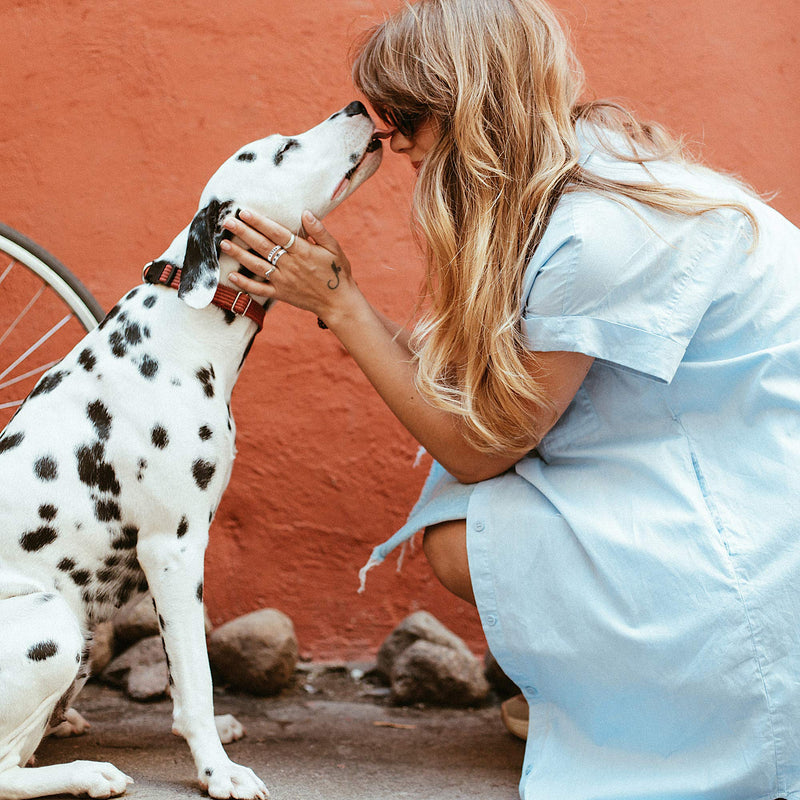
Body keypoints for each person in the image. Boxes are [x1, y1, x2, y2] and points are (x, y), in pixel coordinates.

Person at [220, 0, 800, 797]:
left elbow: (481, 443)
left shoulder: (595, 233)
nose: (390, 141)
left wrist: (342, 308)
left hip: (756, 517)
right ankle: (590, 684)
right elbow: (463, 379)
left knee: (464, 524)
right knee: (463, 495)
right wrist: (336, 296)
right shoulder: (578, 165)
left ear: (466, 111)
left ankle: (654, 696)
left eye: (406, 119)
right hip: (714, 457)